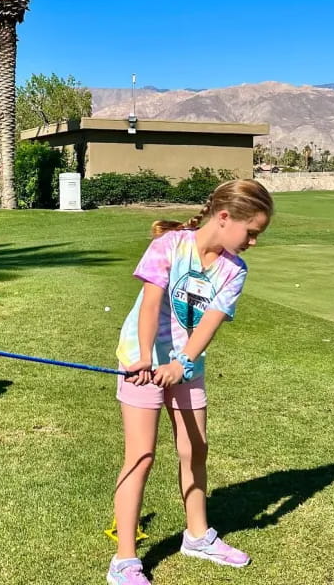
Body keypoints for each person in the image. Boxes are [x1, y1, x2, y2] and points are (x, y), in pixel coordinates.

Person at [107, 179, 273, 585]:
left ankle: (197, 536)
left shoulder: (234, 270)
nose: (253, 242)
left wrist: (182, 362)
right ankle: (124, 560)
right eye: (251, 232)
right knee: (141, 455)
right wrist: (146, 358)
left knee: (195, 447)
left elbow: (210, 323)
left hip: (187, 367)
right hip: (139, 361)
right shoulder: (170, 246)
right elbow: (150, 305)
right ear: (223, 217)